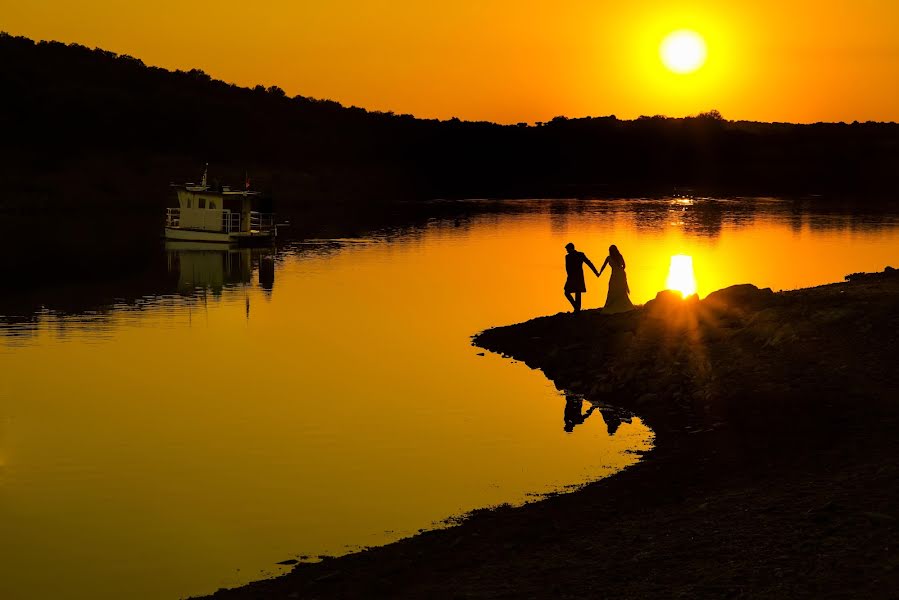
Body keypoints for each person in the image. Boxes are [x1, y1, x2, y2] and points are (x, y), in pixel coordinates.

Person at [563, 242, 600, 313]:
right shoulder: (579, 255)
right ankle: (577, 307)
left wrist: (596, 272)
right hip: (577, 276)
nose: (567, 251)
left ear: (571, 248)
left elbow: (567, 268)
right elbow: (589, 263)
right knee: (574, 292)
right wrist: (596, 272)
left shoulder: (570, 256)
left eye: (567, 249)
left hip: (573, 277)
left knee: (572, 292)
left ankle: (577, 309)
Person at [598, 244, 634, 314]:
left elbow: (603, 266)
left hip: (614, 275)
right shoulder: (619, 256)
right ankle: (621, 304)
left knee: (612, 289)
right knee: (620, 289)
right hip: (620, 274)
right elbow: (624, 266)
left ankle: (611, 305)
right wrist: (621, 272)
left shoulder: (609, 258)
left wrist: (599, 273)